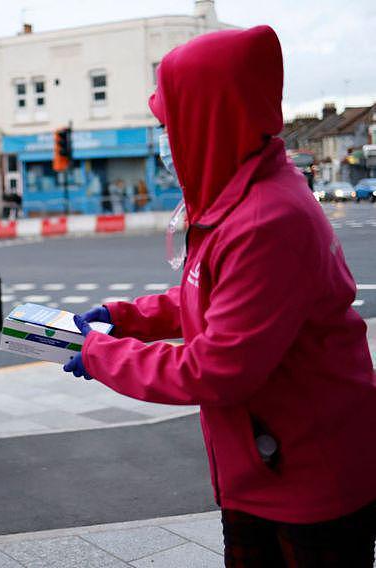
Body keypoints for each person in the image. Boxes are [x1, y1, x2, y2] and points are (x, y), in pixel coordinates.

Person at [64, 26, 376, 566]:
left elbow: (218, 368)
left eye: (166, 124)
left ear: (207, 116)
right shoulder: (240, 198)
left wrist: (102, 353)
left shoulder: (266, 220)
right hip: (269, 466)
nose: (163, 138)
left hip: (306, 481)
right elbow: (211, 297)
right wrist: (124, 317)